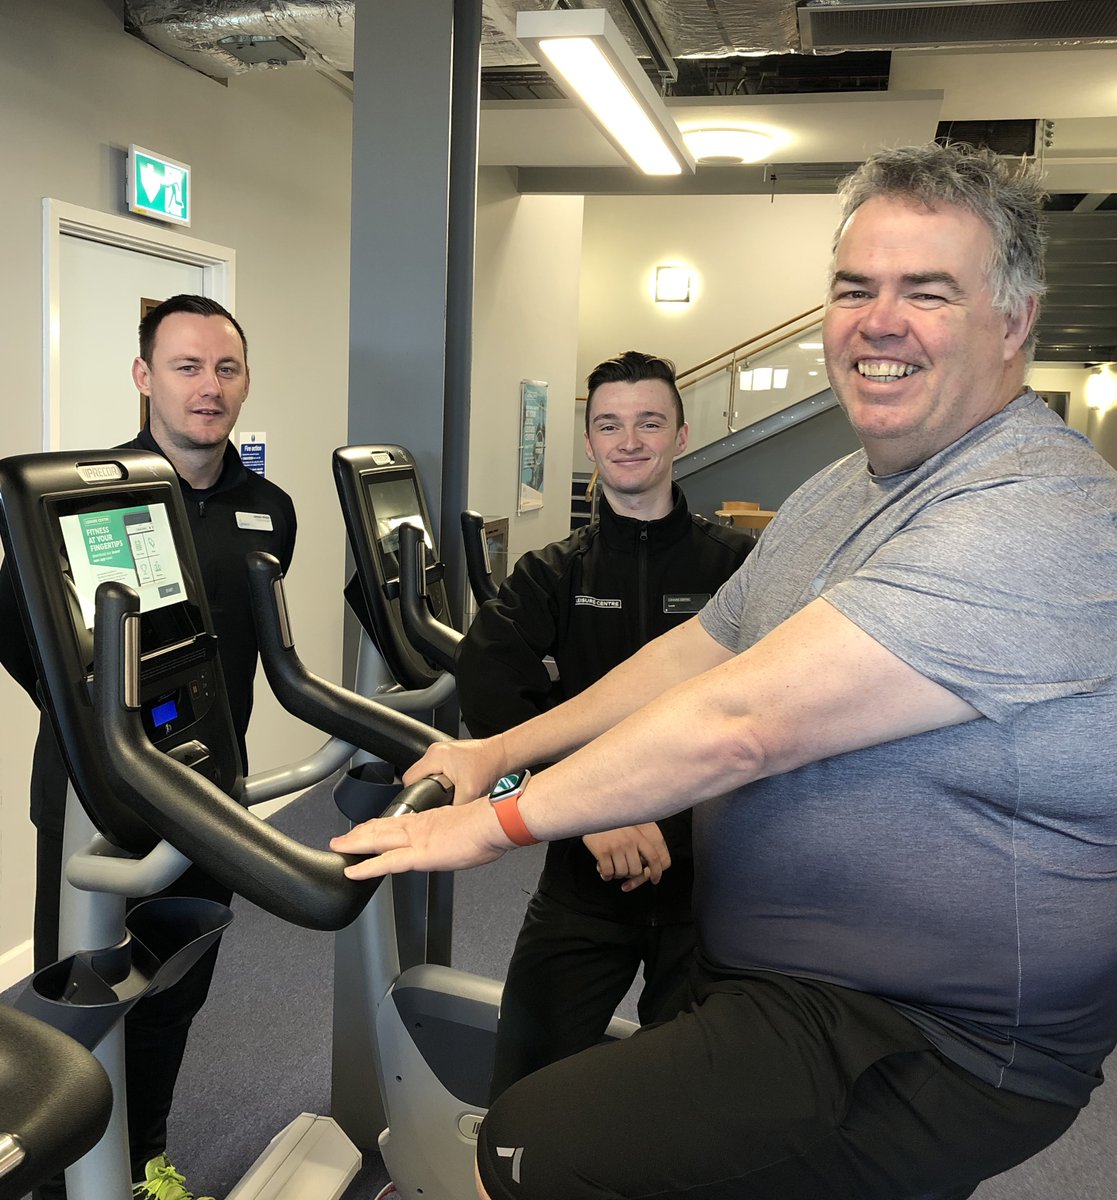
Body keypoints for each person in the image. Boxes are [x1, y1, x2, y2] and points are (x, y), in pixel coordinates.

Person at [331, 142, 1117, 1200]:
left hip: (934, 1036)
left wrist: (491, 821)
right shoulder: (844, 486)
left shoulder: (1038, 512)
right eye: (854, 288)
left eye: (927, 292)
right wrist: (497, 751)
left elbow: (744, 720)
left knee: (531, 1145)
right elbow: (702, 649)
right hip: (793, 976)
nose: (879, 320)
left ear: (1014, 321)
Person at [0, 295, 296, 1200]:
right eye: (186, 367)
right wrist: (92, 725)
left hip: (209, 789)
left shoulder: (269, 509)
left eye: (226, 369)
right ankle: (66, 1183)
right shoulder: (84, 498)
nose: (209, 388)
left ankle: (142, 1161)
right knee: (84, 995)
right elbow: (18, 629)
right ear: (144, 378)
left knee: (176, 986)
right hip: (97, 796)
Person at [456, 351, 754, 1098]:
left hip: (709, 884)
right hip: (585, 875)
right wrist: (587, 809)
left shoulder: (741, 567)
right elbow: (487, 687)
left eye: (648, 422)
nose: (629, 441)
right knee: (521, 1091)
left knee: (693, 1103)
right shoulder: (554, 573)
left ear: (680, 435)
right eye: (609, 425)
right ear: (588, 443)